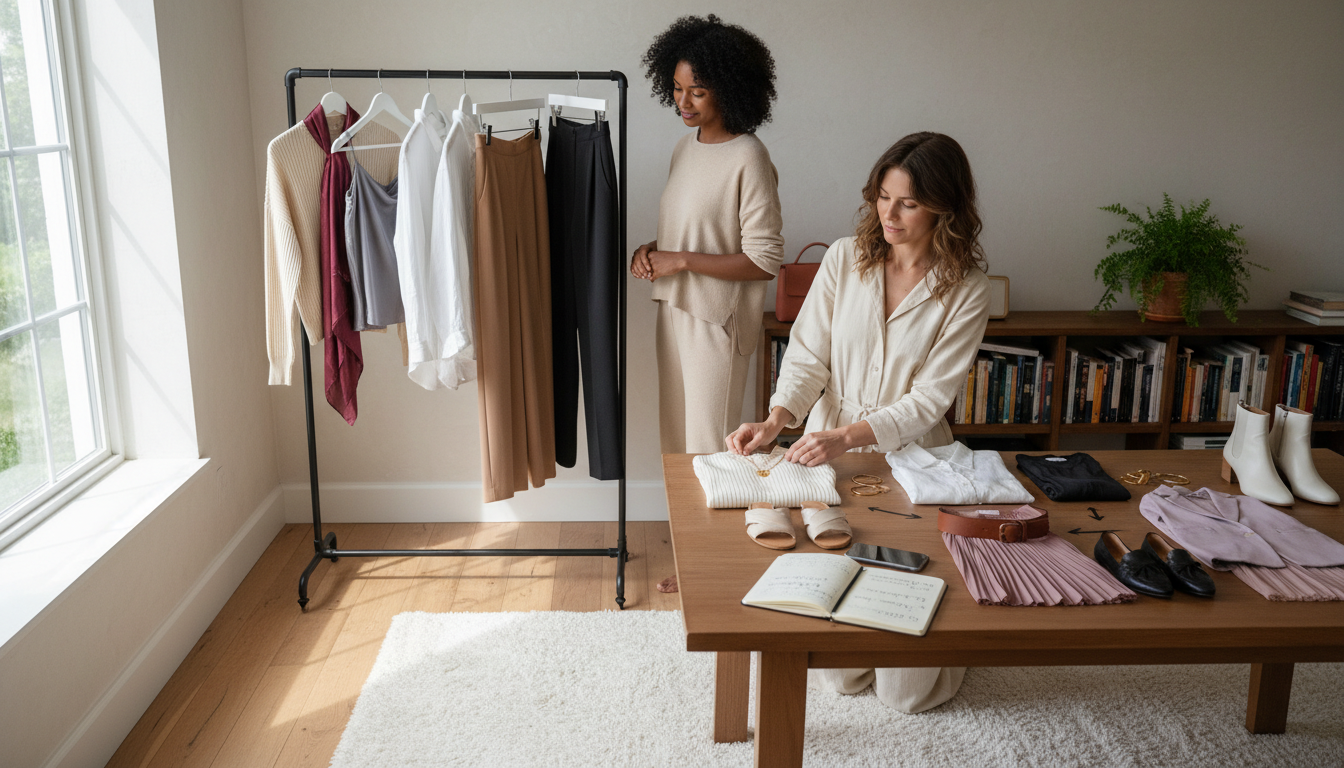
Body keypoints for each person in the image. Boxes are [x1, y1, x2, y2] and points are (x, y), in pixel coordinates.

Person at [726, 132, 991, 713]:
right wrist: (776, 421)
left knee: (908, 694)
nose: (889, 214)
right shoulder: (846, 258)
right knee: (842, 678)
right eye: (882, 196)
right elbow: (807, 356)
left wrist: (847, 437)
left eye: (908, 203)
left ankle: (958, 633)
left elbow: (930, 399)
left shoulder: (967, 290)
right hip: (830, 457)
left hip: (913, 463)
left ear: (944, 208)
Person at [636, 15, 785, 595]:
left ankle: (712, 571)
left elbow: (763, 259)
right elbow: (690, 233)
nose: (683, 102)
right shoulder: (684, 148)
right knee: (678, 447)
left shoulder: (750, 156)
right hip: (673, 312)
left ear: (730, 87)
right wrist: (653, 251)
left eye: (697, 91)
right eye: (677, 89)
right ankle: (696, 557)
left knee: (713, 448)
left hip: (717, 324)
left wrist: (681, 260)